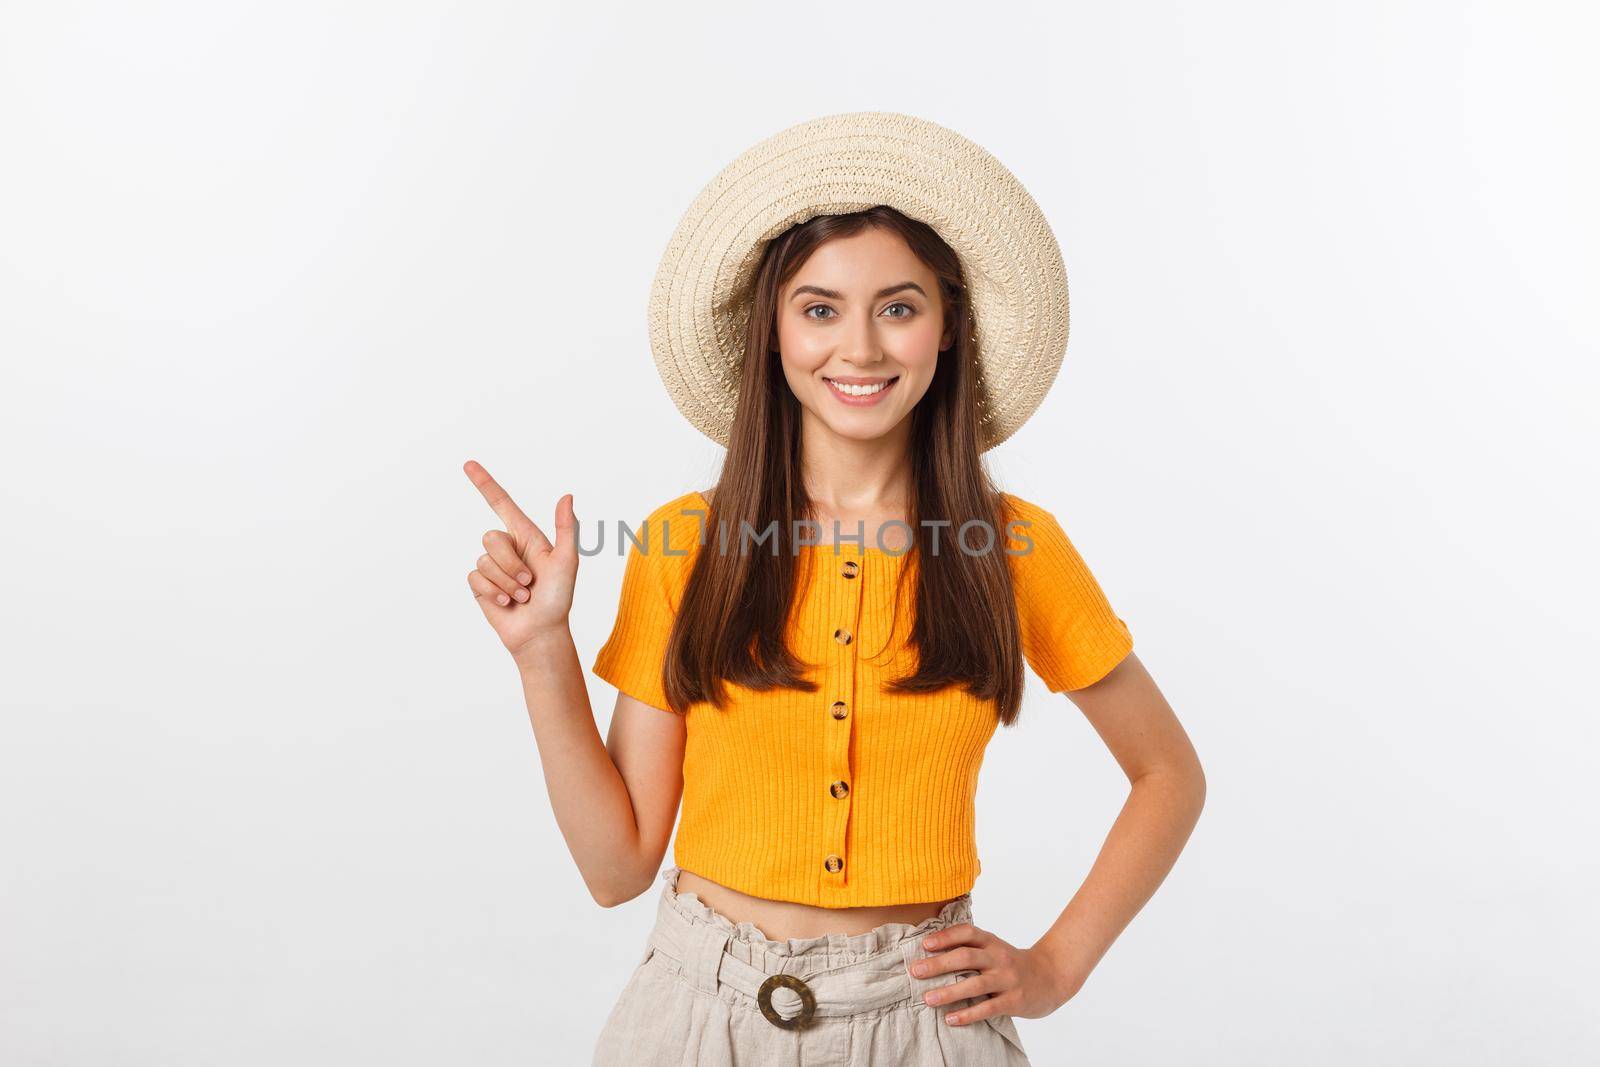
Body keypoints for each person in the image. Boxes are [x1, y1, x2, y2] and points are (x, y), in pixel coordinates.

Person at [462, 112, 1205, 1065]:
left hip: (927, 1021)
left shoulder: (1013, 548)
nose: (859, 347)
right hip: (698, 1016)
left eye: (898, 307)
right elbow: (616, 869)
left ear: (947, 330)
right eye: (819, 308)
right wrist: (541, 654)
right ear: (771, 333)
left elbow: (1168, 773)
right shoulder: (685, 545)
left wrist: (1055, 966)